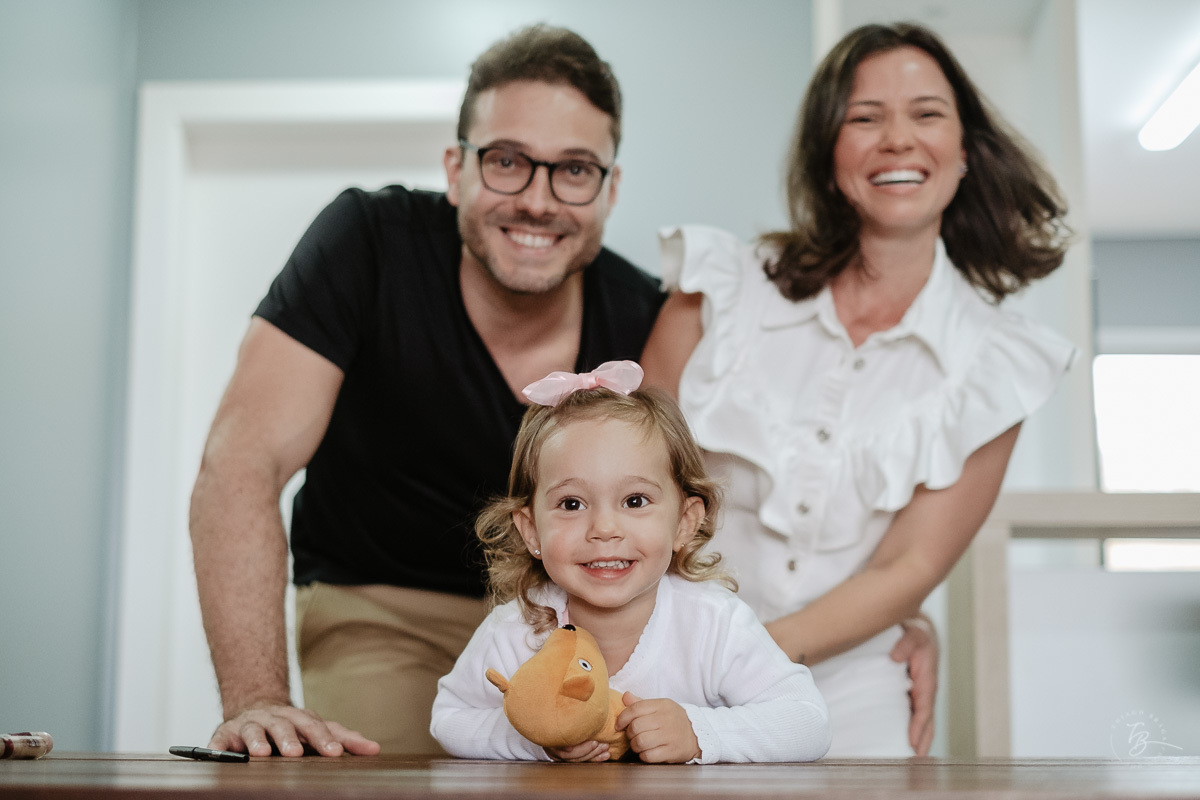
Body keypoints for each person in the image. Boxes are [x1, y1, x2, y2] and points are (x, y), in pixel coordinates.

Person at [189, 24, 666, 757]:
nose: (538, 201)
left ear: (610, 189)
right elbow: (239, 465)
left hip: (574, 613)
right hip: (381, 608)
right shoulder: (367, 243)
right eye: (507, 161)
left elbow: (697, 497)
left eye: (573, 170)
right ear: (456, 168)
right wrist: (257, 702)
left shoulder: (642, 311)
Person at [641, 22, 1076, 757]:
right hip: (667, 658)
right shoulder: (719, 291)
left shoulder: (998, 364)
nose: (898, 139)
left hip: (850, 685)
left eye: (928, 114)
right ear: (827, 152)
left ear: (966, 150)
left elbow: (908, 567)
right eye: (865, 117)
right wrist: (675, 658)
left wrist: (743, 663)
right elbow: (630, 484)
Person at [430, 363, 832, 763]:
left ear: (684, 522)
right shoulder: (516, 629)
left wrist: (701, 732)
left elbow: (807, 721)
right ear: (532, 530)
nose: (604, 529)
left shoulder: (713, 624)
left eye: (634, 501)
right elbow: (449, 718)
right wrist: (535, 737)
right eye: (572, 504)